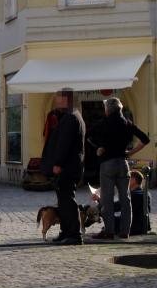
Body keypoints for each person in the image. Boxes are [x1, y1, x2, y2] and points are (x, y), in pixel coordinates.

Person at [89, 97, 149, 240]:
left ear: (108, 110)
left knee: (107, 199)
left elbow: (88, 135)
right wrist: (130, 153)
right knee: (125, 198)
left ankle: (109, 232)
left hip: (107, 164)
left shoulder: (104, 122)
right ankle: (124, 231)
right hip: (123, 163)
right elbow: (145, 139)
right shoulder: (127, 123)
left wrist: (99, 148)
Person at [40, 91, 86, 245]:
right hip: (71, 165)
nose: (56, 100)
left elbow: (64, 144)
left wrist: (58, 163)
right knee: (64, 200)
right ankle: (66, 231)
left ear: (66, 99)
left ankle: (74, 234)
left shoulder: (71, 118)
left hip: (67, 167)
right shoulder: (73, 115)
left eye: (58, 98)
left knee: (67, 200)